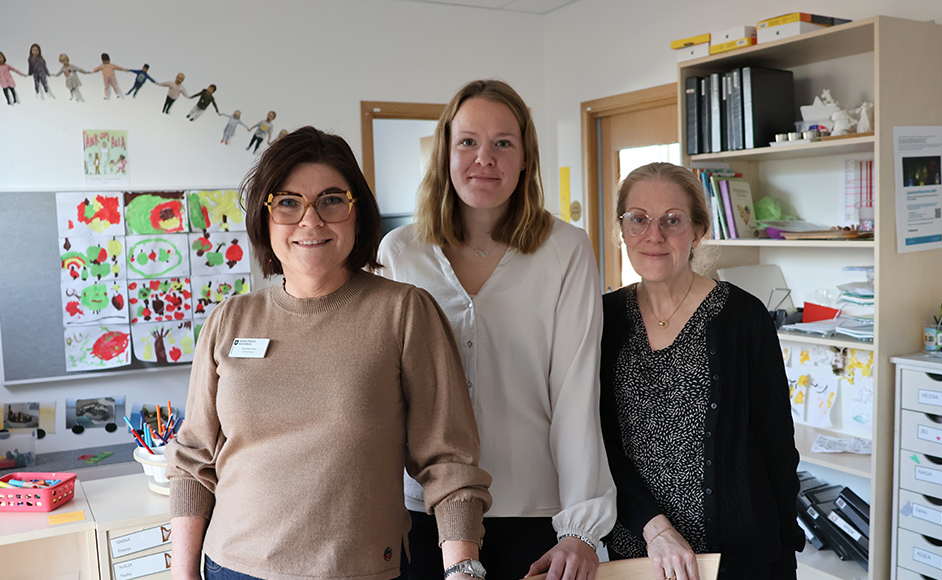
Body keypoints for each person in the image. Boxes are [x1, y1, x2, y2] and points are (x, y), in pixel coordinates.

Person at [166, 126, 493, 580]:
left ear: (357, 214)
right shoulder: (229, 320)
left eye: (332, 200)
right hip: (230, 567)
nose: (311, 220)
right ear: (265, 218)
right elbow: (193, 460)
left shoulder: (403, 312)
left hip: (356, 570)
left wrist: (464, 570)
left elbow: (448, 460)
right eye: (288, 202)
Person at [379, 79, 616, 580]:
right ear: (445, 151)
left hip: (534, 513)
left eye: (502, 143)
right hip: (423, 509)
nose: (484, 158)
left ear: (526, 156)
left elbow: (575, 392)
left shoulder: (566, 249)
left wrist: (580, 528)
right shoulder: (400, 252)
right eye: (468, 141)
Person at [598, 162, 804, 580]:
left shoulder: (744, 317)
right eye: (638, 219)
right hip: (639, 553)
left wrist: (785, 550)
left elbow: (777, 444)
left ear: (697, 230)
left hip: (740, 555)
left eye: (672, 221)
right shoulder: (603, 319)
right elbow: (597, 443)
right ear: (622, 230)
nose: (653, 235)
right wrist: (653, 527)